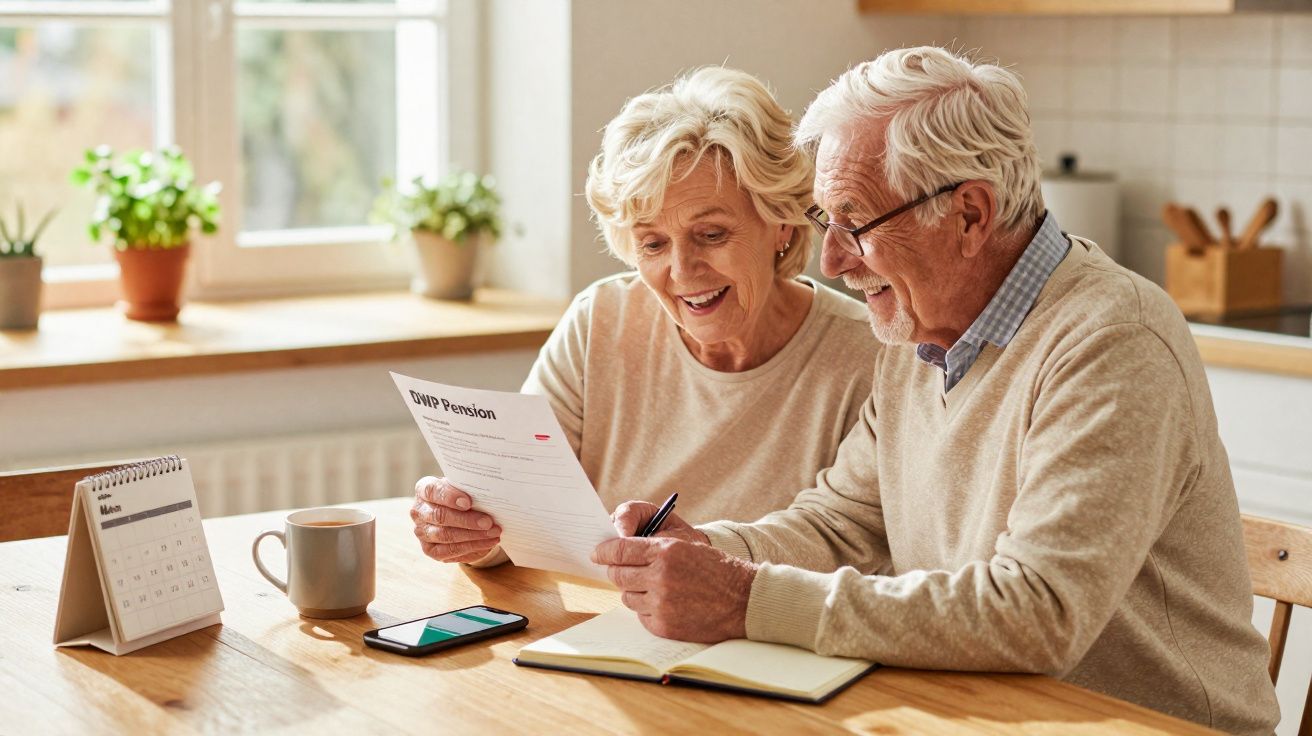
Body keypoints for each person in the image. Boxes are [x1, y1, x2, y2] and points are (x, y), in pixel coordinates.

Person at [592, 47, 1280, 734]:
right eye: (826, 221)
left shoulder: (1112, 340)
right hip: (985, 716)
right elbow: (843, 525)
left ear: (970, 214)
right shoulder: (918, 331)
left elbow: (1039, 611)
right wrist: (707, 552)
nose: (830, 259)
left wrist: (745, 598)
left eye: (855, 223)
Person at [410, 67, 880, 568]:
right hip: (599, 613)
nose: (682, 270)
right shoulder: (601, 321)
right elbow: (517, 512)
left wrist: (708, 562)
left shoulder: (866, 356)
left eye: (712, 235)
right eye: (653, 243)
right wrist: (470, 531)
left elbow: (848, 542)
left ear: (782, 220)